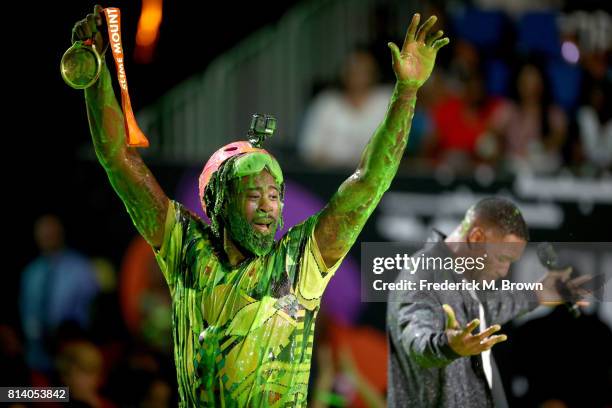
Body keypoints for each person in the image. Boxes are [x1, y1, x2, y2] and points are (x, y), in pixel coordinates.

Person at [72, 6, 449, 406]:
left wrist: (407, 91)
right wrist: (95, 80)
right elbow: (120, 160)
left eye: (275, 195)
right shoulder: (186, 247)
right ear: (218, 203)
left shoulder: (300, 260)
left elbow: (370, 181)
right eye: (253, 195)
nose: (270, 207)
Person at [386, 197, 589, 408]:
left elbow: (493, 306)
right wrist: (447, 346)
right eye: (502, 259)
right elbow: (414, 336)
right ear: (475, 237)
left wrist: (537, 294)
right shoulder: (424, 273)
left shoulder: (464, 280)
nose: (504, 272)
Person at [20, 215, 99, 373]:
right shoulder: (31, 272)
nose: (47, 238)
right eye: (43, 234)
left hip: (72, 354)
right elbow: (27, 311)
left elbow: (93, 309)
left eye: (51, 233)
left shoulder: (81, 268)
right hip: (37, 355)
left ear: (60, 233)